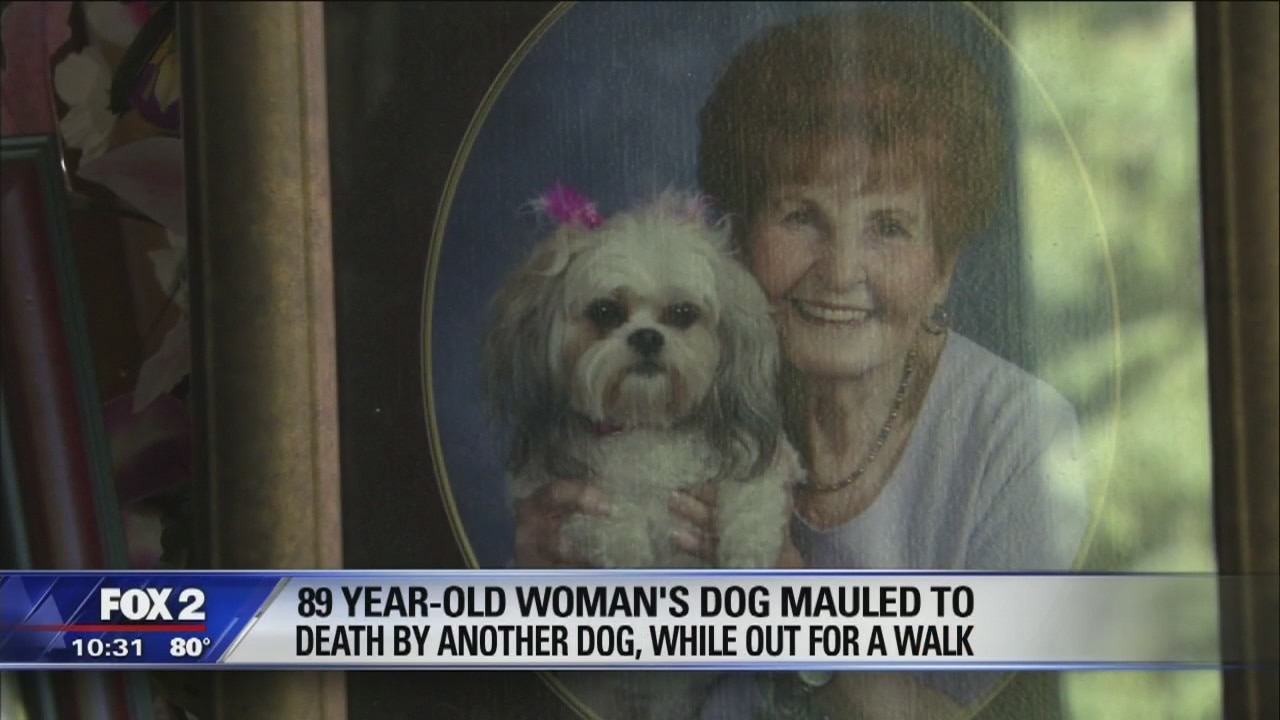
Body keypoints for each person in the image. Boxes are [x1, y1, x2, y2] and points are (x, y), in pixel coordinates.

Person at [512, 6, 1090, 719]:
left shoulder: (1020, 434)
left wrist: (803, 618)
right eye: (801, 216)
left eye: (889, 226)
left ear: (943, 267)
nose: (840, 271)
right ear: (737, 239)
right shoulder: (687, 388)